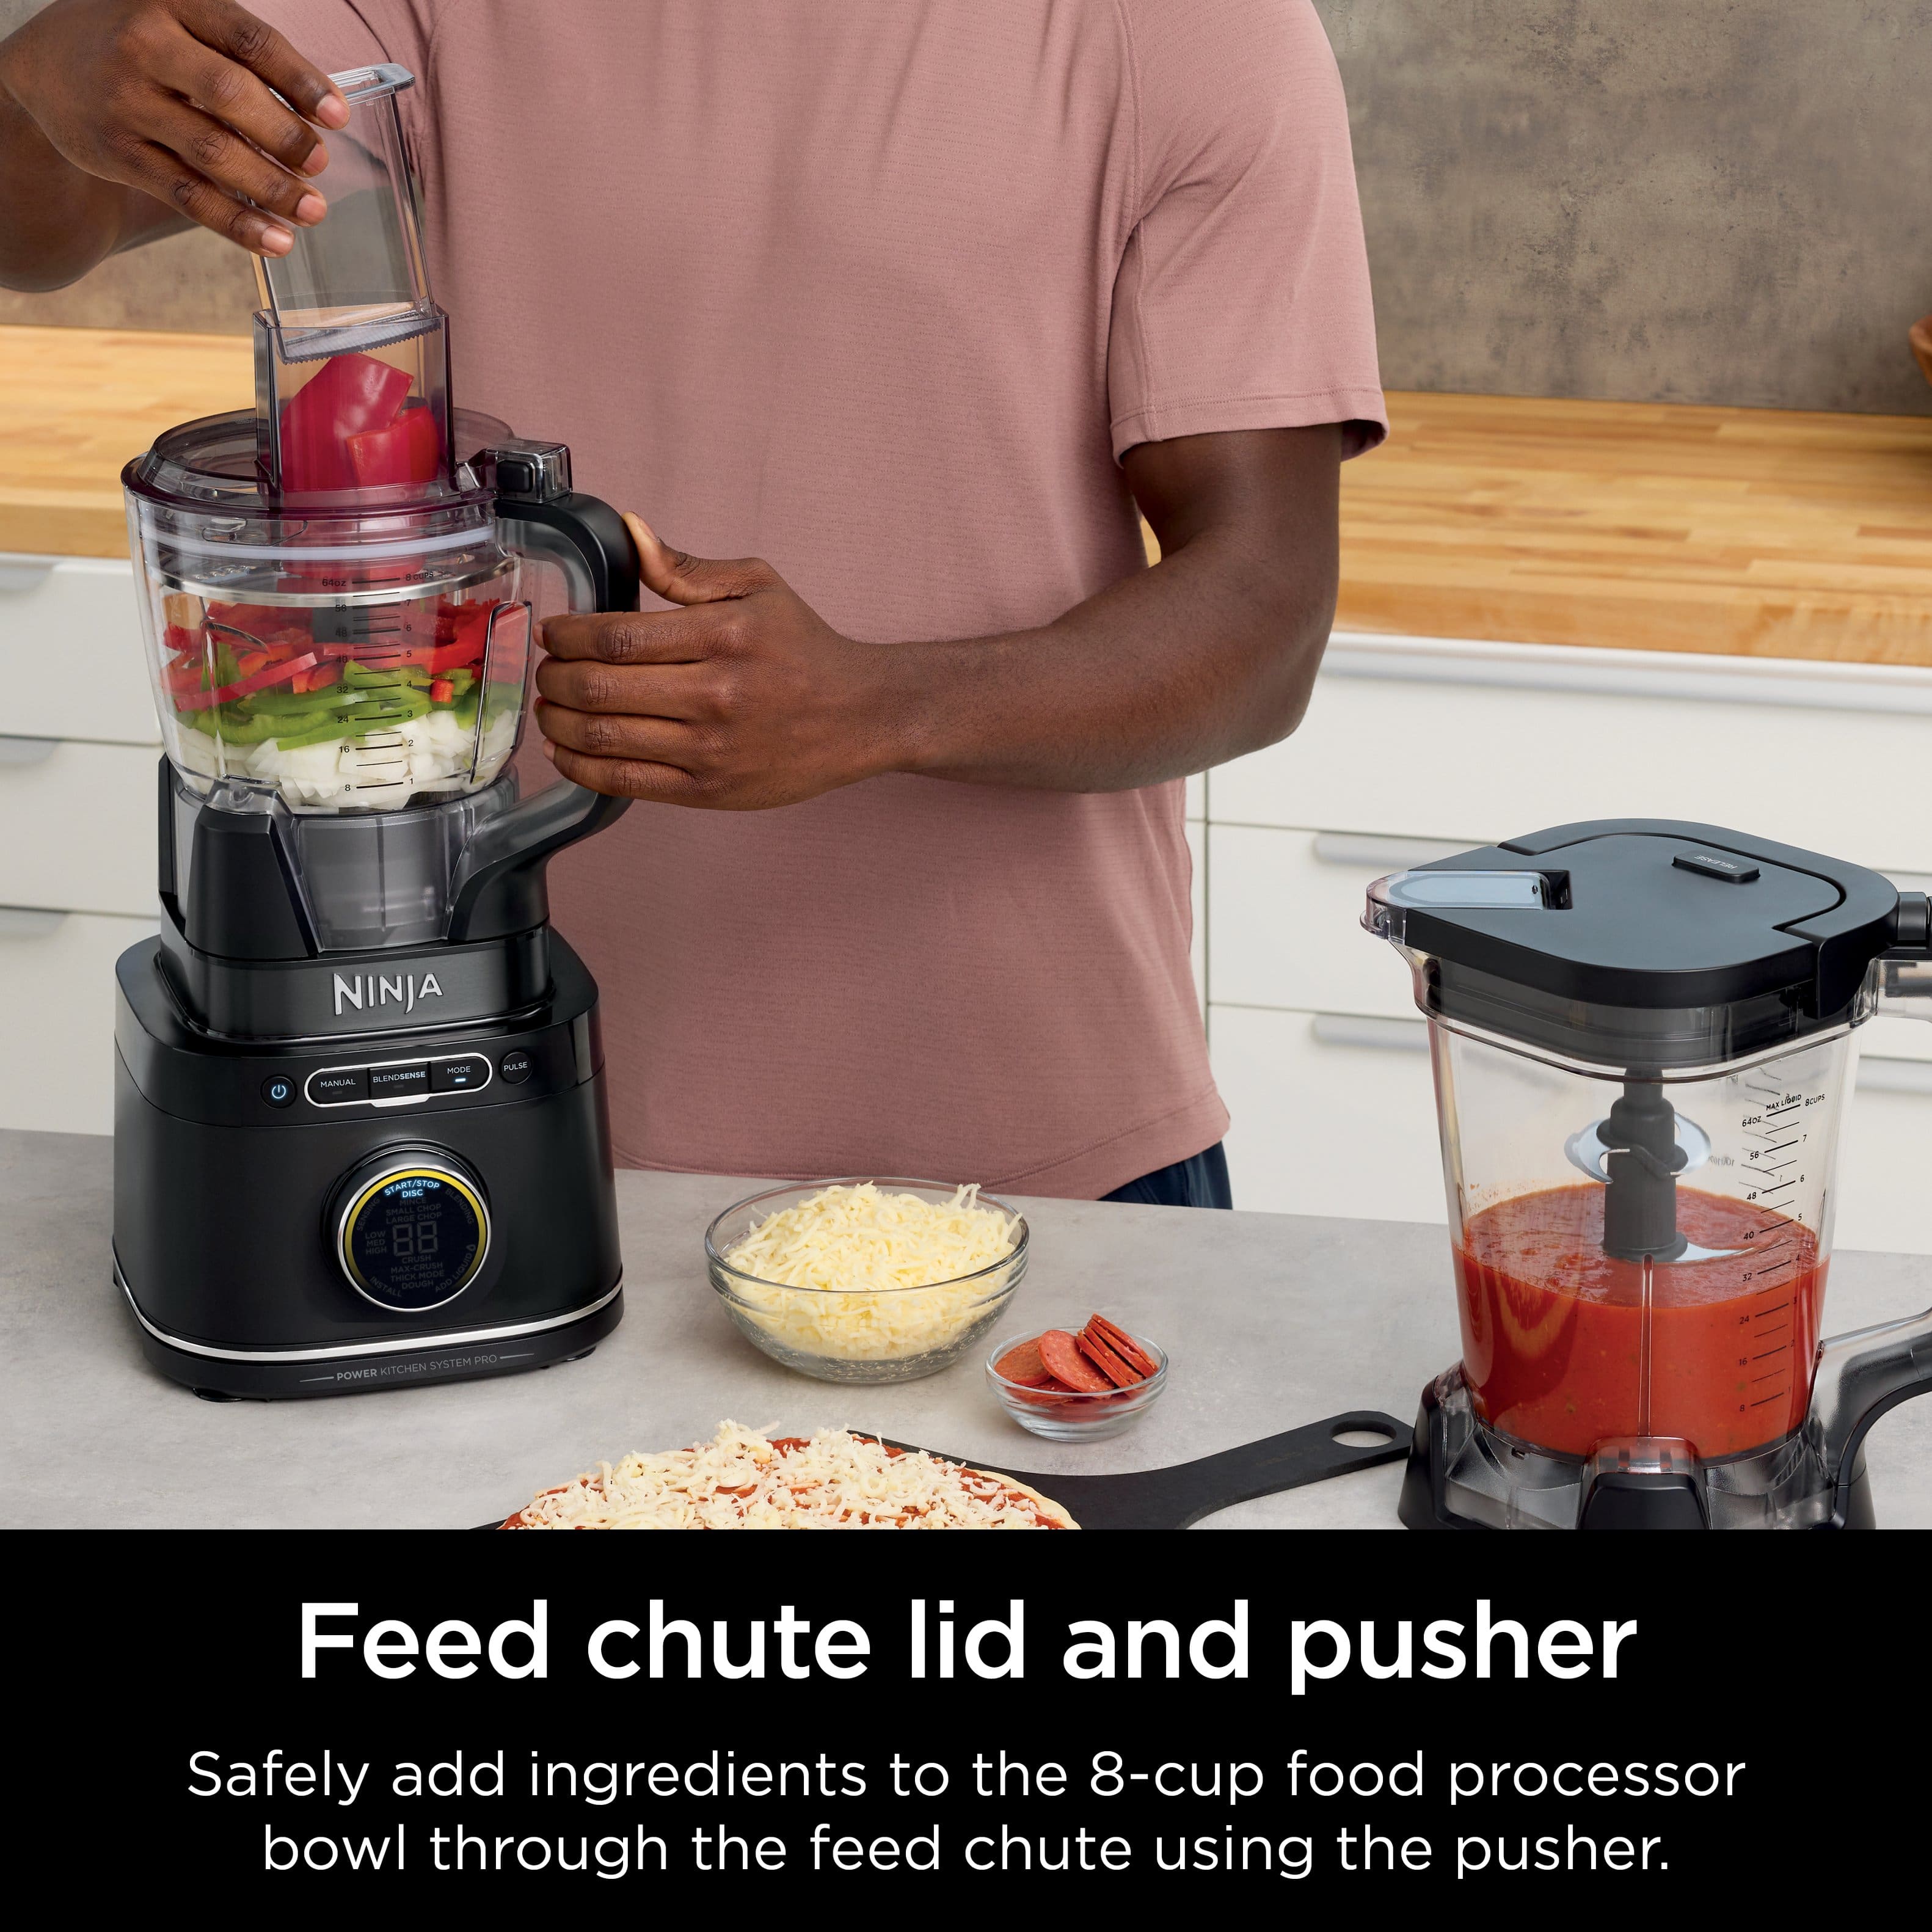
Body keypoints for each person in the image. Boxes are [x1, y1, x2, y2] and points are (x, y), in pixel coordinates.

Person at [0, 0, 1385, 1206]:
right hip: (495, 1112)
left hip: (1040, 1155)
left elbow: (1262, 618)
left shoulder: (1187, 27)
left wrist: (880, 709)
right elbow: (50, 215)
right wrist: (41, 78)